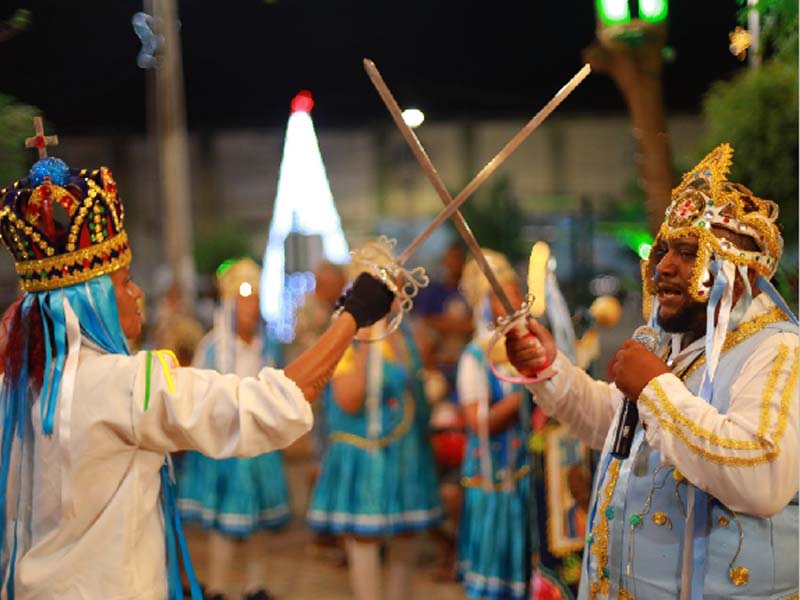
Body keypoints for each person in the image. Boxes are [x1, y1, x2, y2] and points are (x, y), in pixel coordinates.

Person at [0, 152, 394, 599]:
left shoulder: (16, 387)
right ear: (91, 300)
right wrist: (351, 317)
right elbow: (269, 404)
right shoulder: (127, 384)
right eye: (125, 282)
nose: (138, 293)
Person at [505, 144, 798, 599]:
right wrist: (549, 369)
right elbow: (616, 426)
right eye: (664, 249)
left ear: (745, 274)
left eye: (689, 253)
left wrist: (654, 387)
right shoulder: (681, 344)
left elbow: (762, 478)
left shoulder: (779, 351)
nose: (663, 267)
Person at [307, 237, 444, 600]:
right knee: (364, 537)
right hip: (362, 453)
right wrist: (368, 336)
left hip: (404, 453)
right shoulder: (345, 334)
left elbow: (418, 387)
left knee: (406, 534)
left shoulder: (405, 334)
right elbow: (348, 399)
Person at [177, 258, 289, 600]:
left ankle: (256, 584)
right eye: (244, 301)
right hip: (224, 446)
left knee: (258, 519)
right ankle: (218, 586)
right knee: (222, 520)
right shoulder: (212, 348)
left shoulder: (268, 347)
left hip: (258, 445)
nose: (251, 309)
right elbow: (198, 394)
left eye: (255, 300)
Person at [455, 249, 533, 600]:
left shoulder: (531, 347)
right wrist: (528, 392)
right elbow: (478, 422)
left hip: (527, 475)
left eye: (515, 294)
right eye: (502, 297)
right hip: (494, 478)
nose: (512, 303)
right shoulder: (475, 356)